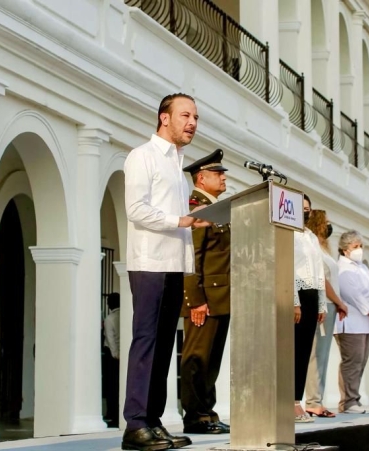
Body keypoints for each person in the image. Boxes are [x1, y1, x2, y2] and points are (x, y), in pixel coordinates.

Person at [122, 93, 209, 451]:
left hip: (173, 265)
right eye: (185, 115)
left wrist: (190, 227)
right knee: (146, 343)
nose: (192, 123)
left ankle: (154, 423)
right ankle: (135, 425)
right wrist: (180, 220)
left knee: (162, 348)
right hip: (149, 264)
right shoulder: (142, 157)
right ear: (164, 118)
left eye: (196, 117)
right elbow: (135, 210)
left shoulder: (177, 164)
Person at [180, 149, 231, 435]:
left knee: (211, 360)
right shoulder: (197, 208)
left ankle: (207, 413)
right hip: (205, 299)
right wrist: (196, 300)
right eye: (218, 174)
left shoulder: (215, 209)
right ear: (202, 177)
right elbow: (191, 257)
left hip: (220, 297)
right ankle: (195, 416)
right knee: (197, 359)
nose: (223, 178)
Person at [304, 210, 348, 418]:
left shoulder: (324, 248)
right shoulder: (315, 248)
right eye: (327, 222)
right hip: (326, 304)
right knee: (317, 355)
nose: (329, 225)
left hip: (330, 305)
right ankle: (313, 401)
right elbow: (324, 280)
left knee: (322, 355)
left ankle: (317, 399)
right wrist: (340, 303)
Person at [335, 231, 369, 414]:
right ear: (345, 249)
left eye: (360, 246)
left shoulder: (362, 267)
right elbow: (352, 294)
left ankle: (354, 398)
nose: (359, 250)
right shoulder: (343, 268)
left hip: (367, 323)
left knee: (361, 362)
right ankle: (348, 402)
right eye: (355, 247)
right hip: (352, 321)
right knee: (352, 362)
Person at [293, 195, 327, 423]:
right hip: (297, 293)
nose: (306, 212)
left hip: (313, 294)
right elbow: (288, 267)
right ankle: (290, 402)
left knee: (305, 350)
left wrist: (322, 303)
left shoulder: (311, 236)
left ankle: (297, 400)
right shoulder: (289, 234)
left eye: (308, 209)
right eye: (302, 208)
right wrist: (294, 300)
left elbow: (319, 271)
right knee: (294, 349)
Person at [102, 293, 120, 427]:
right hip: (125, 355)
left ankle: (112, 414)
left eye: (108, 302)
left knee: (112, 386)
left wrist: (115, 355)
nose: (107, 304)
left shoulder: (110, 318)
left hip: (113, 357)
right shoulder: (124, 316)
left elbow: (110, 338)